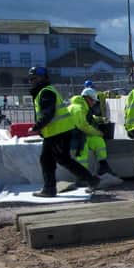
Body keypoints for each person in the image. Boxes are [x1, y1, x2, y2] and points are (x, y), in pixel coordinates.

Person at [26, 66, 99, 197]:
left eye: (35, 78)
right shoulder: (44, 91)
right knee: (50, 160)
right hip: (56, 132)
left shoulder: (46, 92)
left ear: (43, 78)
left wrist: (36, 127)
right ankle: (51, 188)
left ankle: (89, 180)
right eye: (31, 79)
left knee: (61, 160)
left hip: (58, 132)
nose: (32, 81)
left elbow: (48, 113)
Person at [67, 87, 115, 176]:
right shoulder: (77, 108)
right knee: (83, 148)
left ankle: (103, 166)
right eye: (93, 100)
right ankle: (82, 176)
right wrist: (98, 132)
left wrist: (100, 119)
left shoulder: (83, 107)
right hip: (73, 137)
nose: (94, 103)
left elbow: (89, 118)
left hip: (81, 134)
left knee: (98, 141)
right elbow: (83, 125)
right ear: (87, 98)